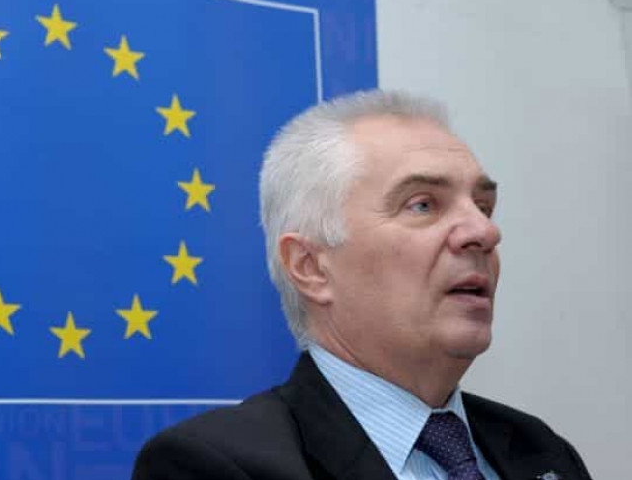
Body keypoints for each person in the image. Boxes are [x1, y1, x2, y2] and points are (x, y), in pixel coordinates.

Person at [131, 90, 593, 480]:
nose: (485, 232)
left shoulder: (543, 451)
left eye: (483, 207)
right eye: (423, 205)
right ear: (311, 267)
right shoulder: (212, 465)